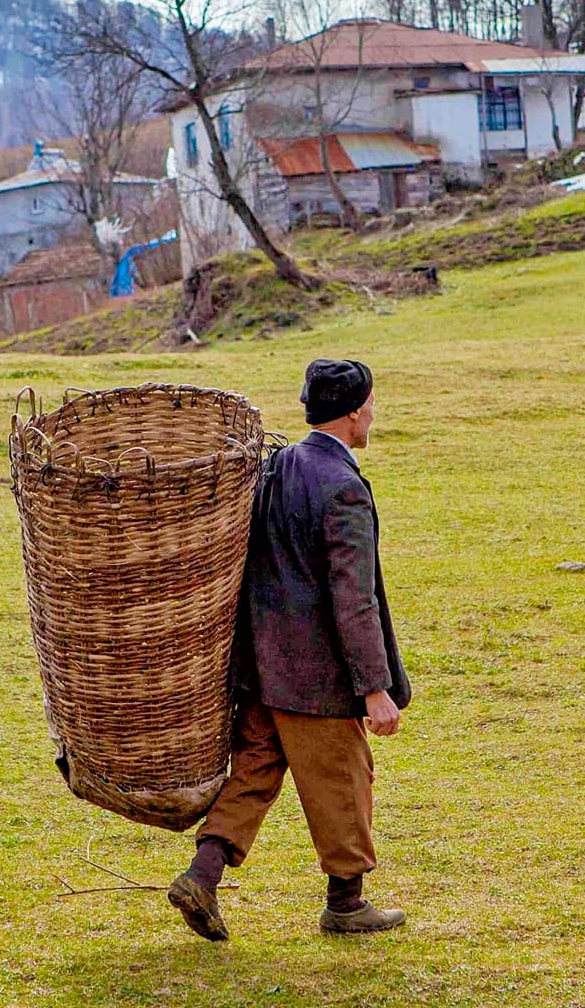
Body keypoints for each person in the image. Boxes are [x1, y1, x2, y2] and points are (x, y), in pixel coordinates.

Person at [167, 358, 411, 940]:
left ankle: (201, 877)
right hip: (313, 674)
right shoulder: (344, 488)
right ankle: (347, 904)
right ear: (355, 411)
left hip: (258, 664)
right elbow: (354, 601)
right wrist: (374, 689)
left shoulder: (276, 467)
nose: (373, 413)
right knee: (344, 779)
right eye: (371, 404)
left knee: (254, 770)